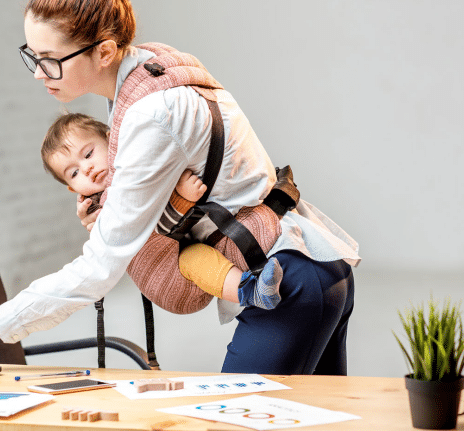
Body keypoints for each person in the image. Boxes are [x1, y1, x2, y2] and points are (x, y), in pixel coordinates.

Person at [0, 0, 360, 431]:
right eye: (32, 55)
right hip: (318, 264)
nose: (39, 74)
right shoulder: (156, 67)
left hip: (288, 281)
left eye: (51, 60)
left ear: (103, 50)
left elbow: (100, 270)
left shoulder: (148, 116)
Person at [40, 111, 283, 310]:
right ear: (72, 189)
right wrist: (181, 200)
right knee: (194, 257)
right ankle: (251, 291)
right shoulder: (100, 208)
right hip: (170, 276)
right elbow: (154, 228)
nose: (87, 169)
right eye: (73, 173)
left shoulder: (136, 170)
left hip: (185, 241)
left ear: (111, 140)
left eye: (88, 154)